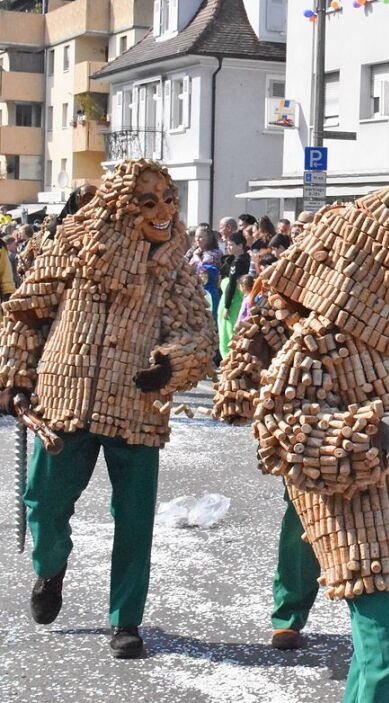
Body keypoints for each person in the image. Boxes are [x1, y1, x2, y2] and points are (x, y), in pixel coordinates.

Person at [214, 182, 389, 701]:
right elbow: (278, 431)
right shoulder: (321, 342)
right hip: (364, 525)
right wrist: (367, 434)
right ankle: (288, 611)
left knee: (379, 661)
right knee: (388, 664)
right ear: (374, 254)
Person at [0, 160, 215, 658]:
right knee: (43, 504)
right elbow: (25, 316)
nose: (163, 211)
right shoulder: (71, 253)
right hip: (63, 401)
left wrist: (170, 363)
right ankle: (50, 568)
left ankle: (126, 620)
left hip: (136, 410)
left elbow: (198, 338)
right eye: (149, 202)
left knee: (134, 521)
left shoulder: (172, 275)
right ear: (122, 208)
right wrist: (14, 381)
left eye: (169, 199)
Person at [218, 232, 250, 359]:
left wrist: (227, 306)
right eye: (227, 245)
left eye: (231, 245)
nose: (228, 247)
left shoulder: (238, 262)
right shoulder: (243, 259)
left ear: (240, 246)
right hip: (239, 299)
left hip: (233, 301)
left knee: (229, 332)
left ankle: (229, 358)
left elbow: (232, 284)